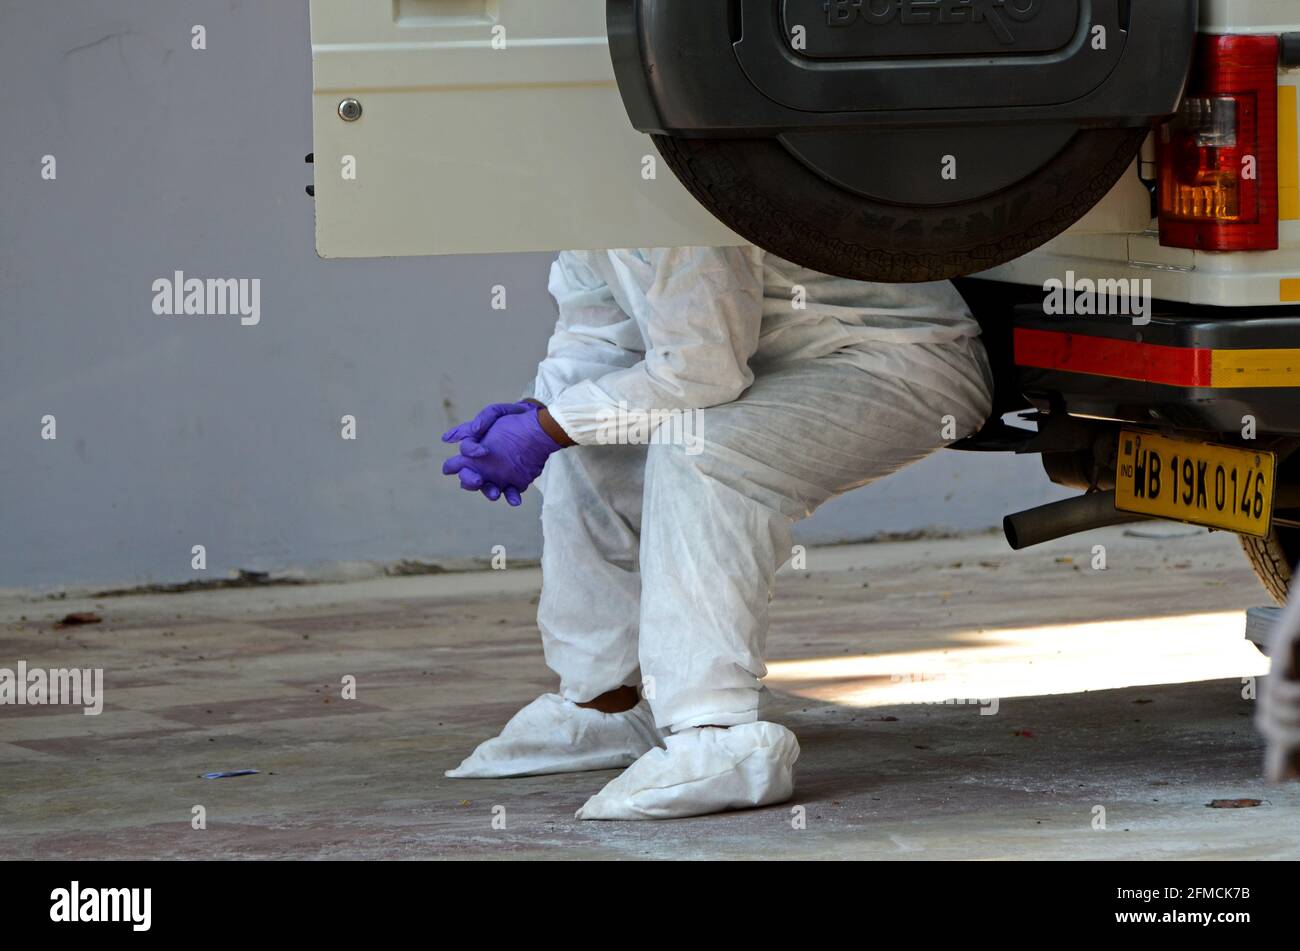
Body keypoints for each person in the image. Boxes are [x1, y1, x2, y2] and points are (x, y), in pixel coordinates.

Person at [441, 246, 993, 820]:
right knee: (586, 444)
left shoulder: (663, 197)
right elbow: (600, 337)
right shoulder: (585, 200)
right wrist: (538, 413)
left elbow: (702, 370)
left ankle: (718, 735)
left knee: (704, 450)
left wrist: (548, 428)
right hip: (770, 364)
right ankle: (604, 705)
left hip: (894, 357)